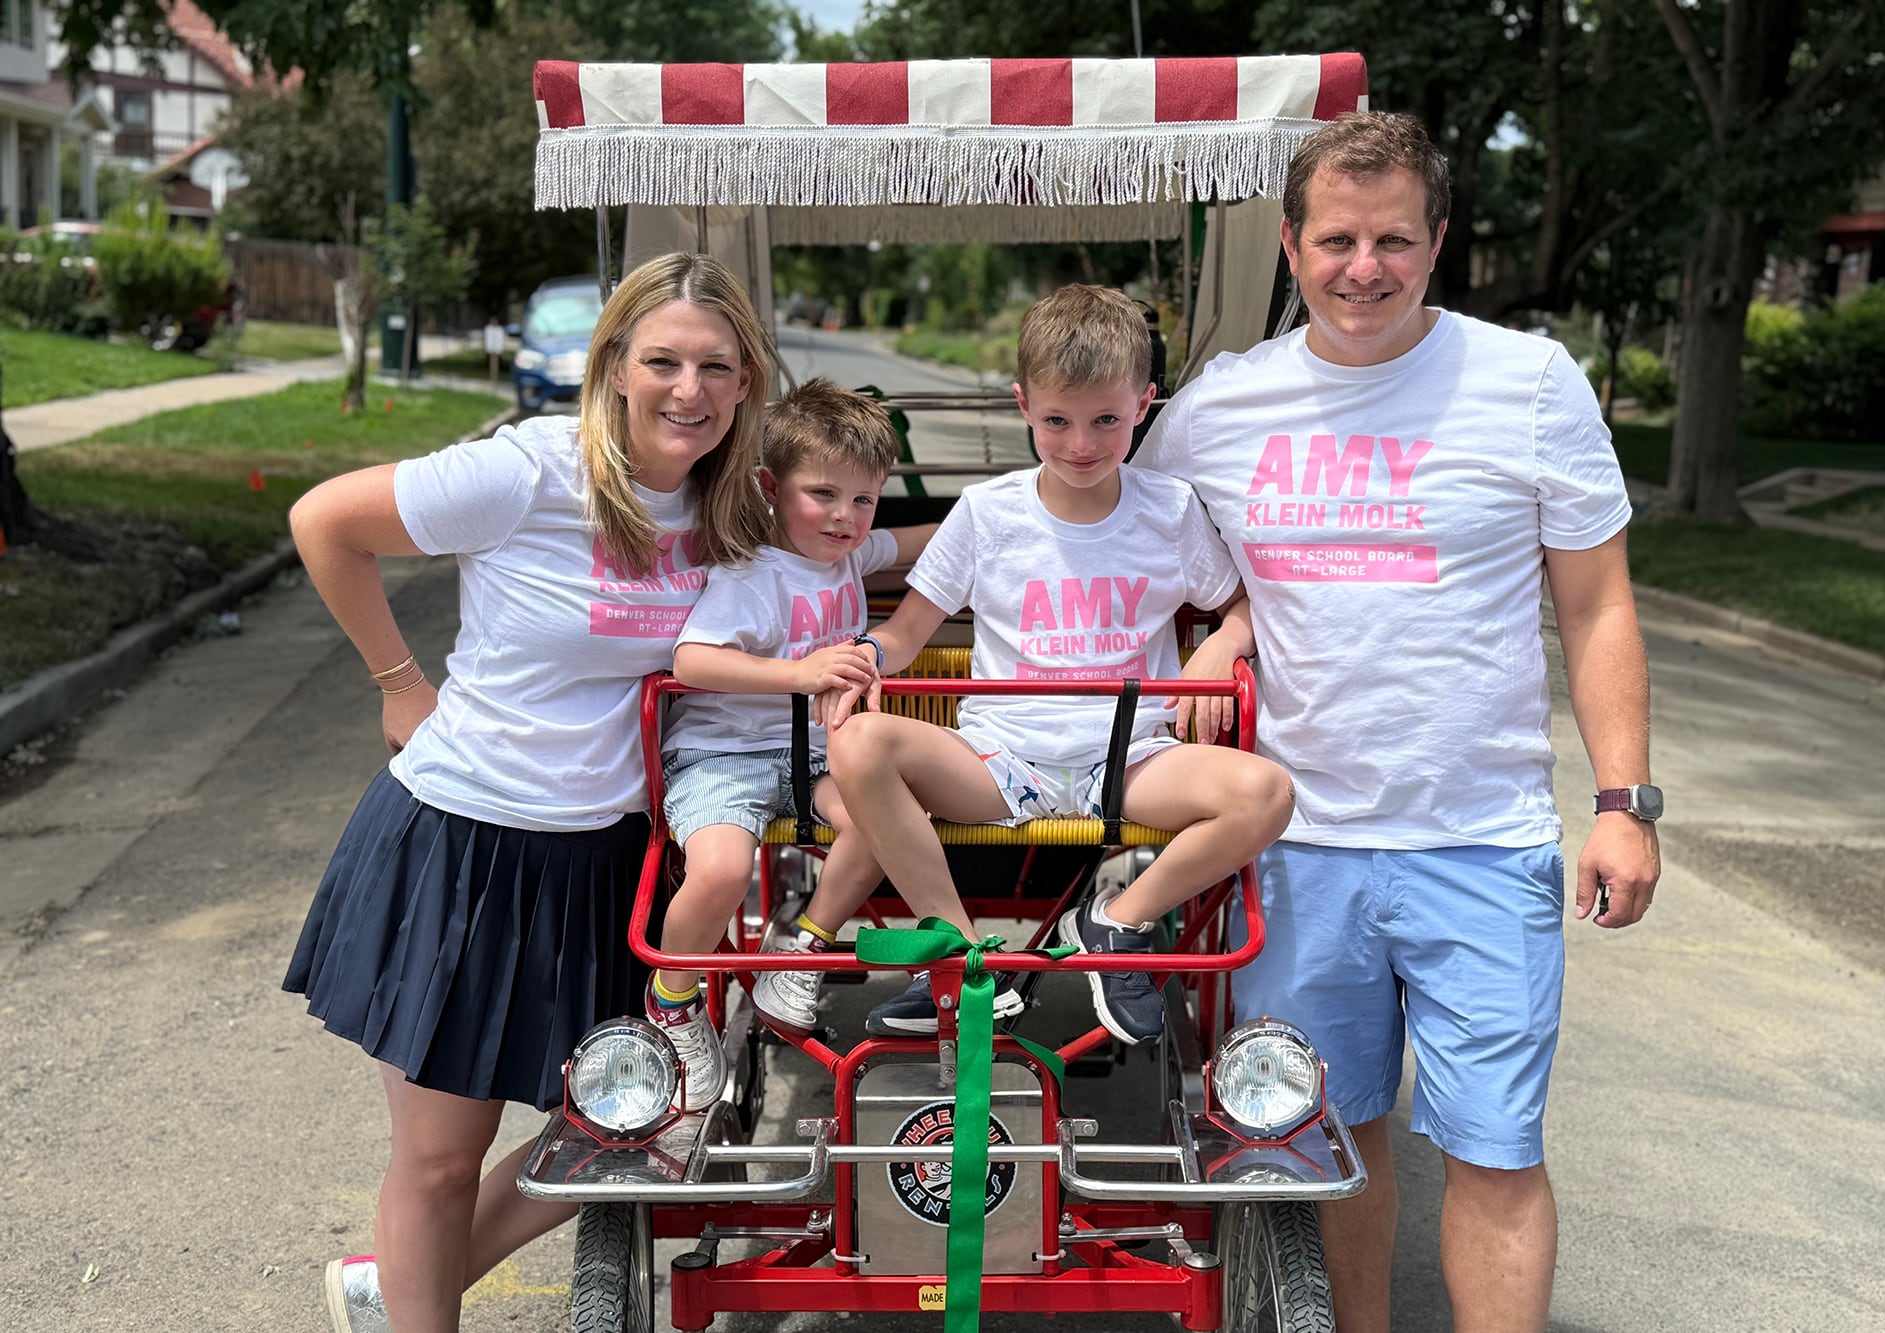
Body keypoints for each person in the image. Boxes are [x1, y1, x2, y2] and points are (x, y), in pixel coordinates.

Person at [1137, 112, 1662, 1333]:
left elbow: (1596, 606)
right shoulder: (1225, 405)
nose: (1360, 267)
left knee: (1493, 1144)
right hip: (1296, 843)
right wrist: (1231, 628)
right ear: (1288, 244)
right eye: (1334, 240)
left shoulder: (1526, 384)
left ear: (1436, 241)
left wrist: (1623, 803)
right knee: (1324, 1136)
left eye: (1389, 240)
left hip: (1478, 840)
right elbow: (1116, 536)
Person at [284, 252, 773, 1333]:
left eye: (713, 366)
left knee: (634, 1121)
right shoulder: (527, 471)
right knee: (441, 1161)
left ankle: (396, 1288)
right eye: (660, 361)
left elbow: (864, 544)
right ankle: (414, 1305)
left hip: (606, 857)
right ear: (611, 366)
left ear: (746, 382)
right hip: (467, 842)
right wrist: (397, 682)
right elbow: (324, 520)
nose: (685, 390)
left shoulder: (730, 504)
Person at [825, 284, 1295, 1045]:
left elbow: (1245, 603)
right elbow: (909, 630)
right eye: (1058, 421)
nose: (1082, 443)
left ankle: (1116, 920)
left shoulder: (1169, 510)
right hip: (1002, 758)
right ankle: (956, 950)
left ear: (1145, 404)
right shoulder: (988, 511)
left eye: (1106, 420)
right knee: (856, 742)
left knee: (1267, 791)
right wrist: (865, 657)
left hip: (1130, 758)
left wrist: (1218, 641)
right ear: (1023, 405)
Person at [651, 378, 936, 1060]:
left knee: (893, 821)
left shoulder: (849, 555)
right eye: (824, 495)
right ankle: (672, 1001)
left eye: (863, 499)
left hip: (813, 756)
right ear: (770, 487)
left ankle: (802, 946)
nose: (845, 516)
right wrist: (797, 674)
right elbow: (692, 659)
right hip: (725, 752)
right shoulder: (752, 573)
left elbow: (926, 540)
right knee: (719, 871)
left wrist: (1004, 516)